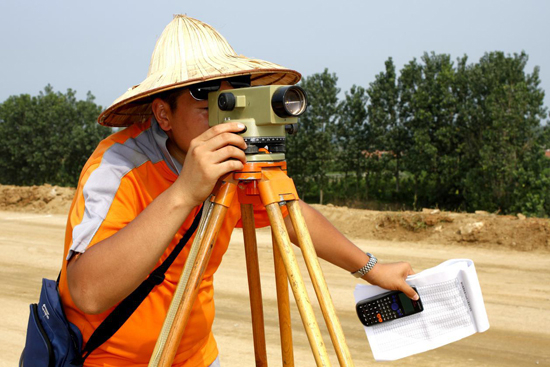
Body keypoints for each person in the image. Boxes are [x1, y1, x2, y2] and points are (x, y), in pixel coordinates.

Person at [58, 15, 418, 367]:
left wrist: (371, 269)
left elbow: (290, 214)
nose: (227, 125)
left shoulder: (241, 155)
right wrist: (186, 191)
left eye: (232, 106)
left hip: (195, 355)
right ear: (163, 115)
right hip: (111, 359)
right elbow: (87, 292)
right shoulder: (119, 167)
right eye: (208, 109)